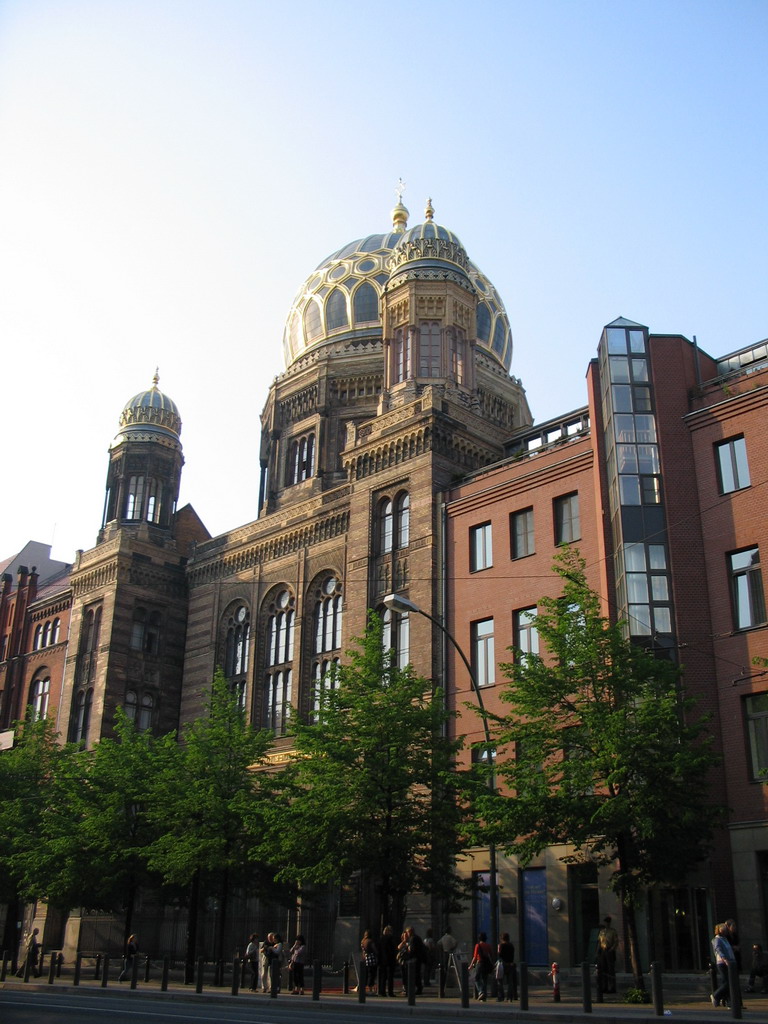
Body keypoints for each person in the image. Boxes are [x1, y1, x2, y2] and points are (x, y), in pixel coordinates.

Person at [711, 922, 737, 1008]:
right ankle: (716, 995)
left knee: (728, 982)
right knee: (727, 982)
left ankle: (726, 1001)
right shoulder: (717, 939)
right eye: (723, 929)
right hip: (722, 963)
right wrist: (724, 958)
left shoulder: (725, 939)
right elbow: (718, 949)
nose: (725, 930)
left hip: (730, 962)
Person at [469, 931, 493, 1002]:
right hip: (486, 964)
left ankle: (481, 992)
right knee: (484, 980)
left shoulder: (478, 946)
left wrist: (470, 965)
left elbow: (475, 957)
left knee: (477, 978)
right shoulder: (488, 946)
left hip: (480, 963)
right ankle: (484, 996)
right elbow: (491, 955)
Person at [597, 916, 618, 993]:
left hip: (609, 950)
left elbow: (616, 942)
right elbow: (599, 942)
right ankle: (604, 986)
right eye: (605, 922)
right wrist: (598, 952)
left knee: (610, 969)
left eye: (608, 922)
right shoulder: (602, 932)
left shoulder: (613, 931)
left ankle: (612, 987)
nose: (606, 924)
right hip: (603, 950)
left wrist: (612, 949)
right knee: (603, 969)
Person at [497, 932, 518, 1001]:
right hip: (510, 964)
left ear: (502, 939)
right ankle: (509, 996)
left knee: (500, 981)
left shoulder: (501, 945)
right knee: (510, 982)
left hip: (503, 964)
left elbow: (500, 955)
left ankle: (501, 996)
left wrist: (498, 950)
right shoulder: (511, 946)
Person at [378, 924, 397, 997]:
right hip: (389, 960)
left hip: (382, 960)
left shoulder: (381, 939)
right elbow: (392, 950)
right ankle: (390, 992)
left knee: (383, 977)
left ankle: (382, 991)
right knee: (390, 977)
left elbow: (379, 950)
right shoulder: (390, 939)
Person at [360, 929, 378, 993]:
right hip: (371, 959)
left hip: (366, 958)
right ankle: (370, 987)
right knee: (372, 974)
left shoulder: (363, 941)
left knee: (367, 974)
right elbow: (374, 949)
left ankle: (365, 987)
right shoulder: (370, 941)